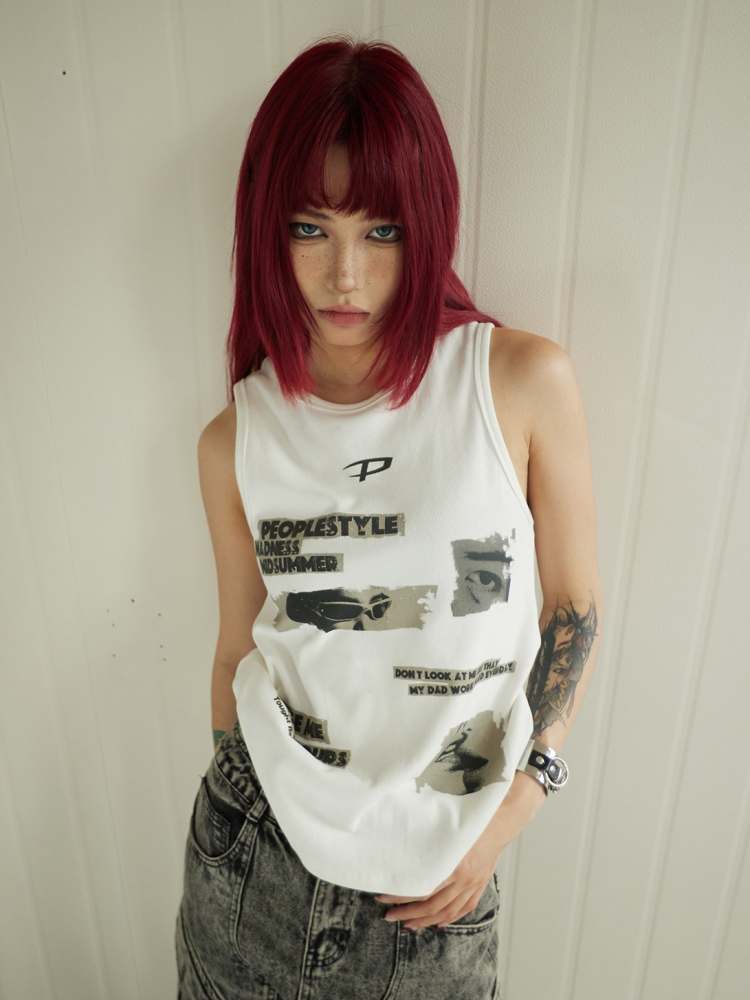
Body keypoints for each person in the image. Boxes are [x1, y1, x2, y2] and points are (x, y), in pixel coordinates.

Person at [174, 33, 603, 1000]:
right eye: (309, 228)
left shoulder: (518, 381)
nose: (345, 277)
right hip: (252, 864)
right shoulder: (233, 437)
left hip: (439, 890)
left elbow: (572, 608)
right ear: (266, 229)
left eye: (382, 232)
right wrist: (238, 786)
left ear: (428, 227)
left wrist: (517, 805)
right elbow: (236, 647)